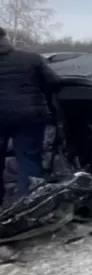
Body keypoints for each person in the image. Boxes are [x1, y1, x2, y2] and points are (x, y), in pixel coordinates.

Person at [0, 27, 61, 206]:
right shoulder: (31, 59)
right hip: (29, 117)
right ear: (6, 39)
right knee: (29, 158)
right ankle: (29, 204)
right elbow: (54, 82)